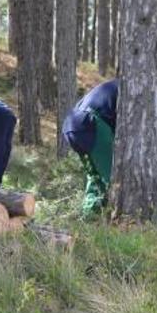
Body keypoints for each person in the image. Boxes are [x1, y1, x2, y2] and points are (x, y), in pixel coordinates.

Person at [61, 79, 118, 220]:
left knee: (95, 176)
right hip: (91, 123)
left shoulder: (115, 86)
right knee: (114, 177)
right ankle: (122, 221)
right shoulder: (134, 90)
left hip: (71, 126)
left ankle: (89, 218)